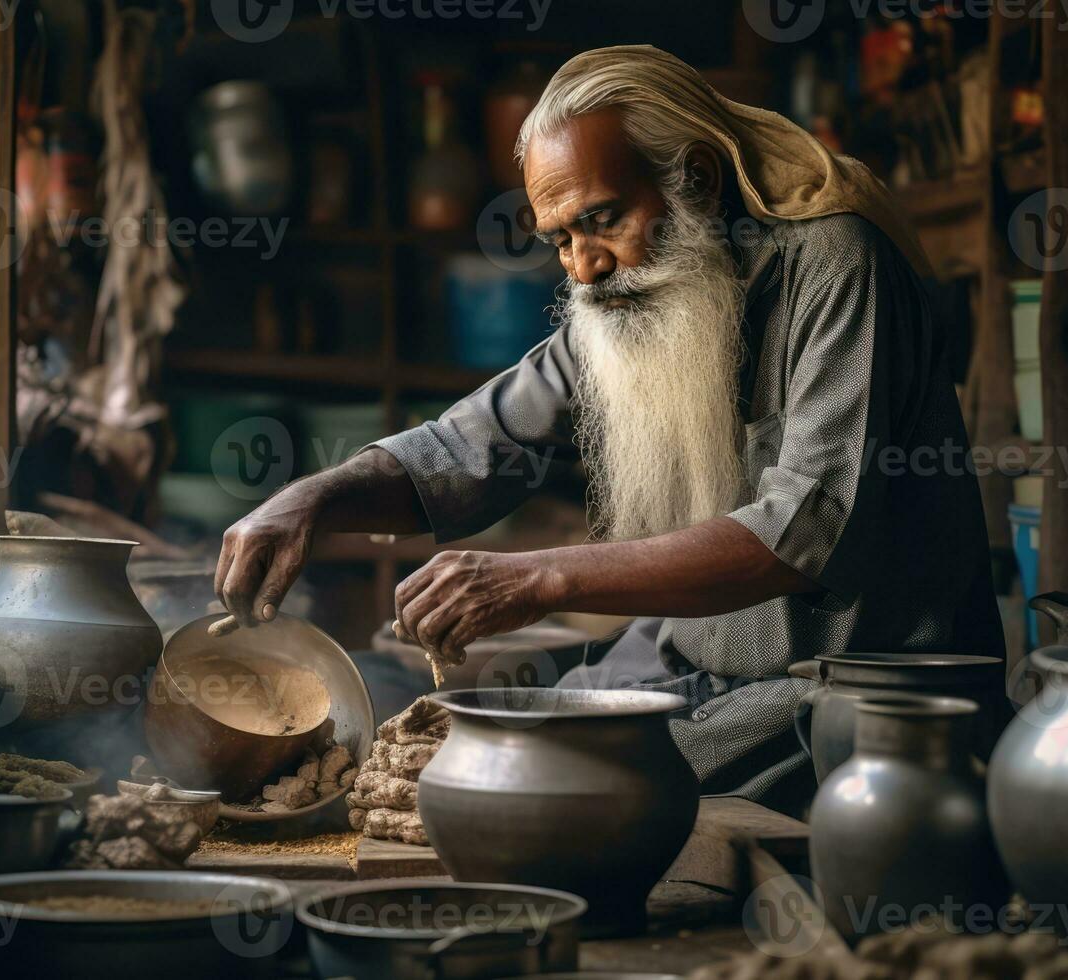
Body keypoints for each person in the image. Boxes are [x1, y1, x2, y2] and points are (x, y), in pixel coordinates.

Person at [215, 45, 1002, 812]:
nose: (583, 266)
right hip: (687, 668)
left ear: (694, 178)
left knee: (541, 776)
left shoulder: (838, 266)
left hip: (843, 698)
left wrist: (539, 577)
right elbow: (471, 445)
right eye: (560, 238)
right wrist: (310, 500)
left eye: (601, 220)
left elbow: (805, 529)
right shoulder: (626, 300)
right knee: (488, 740)